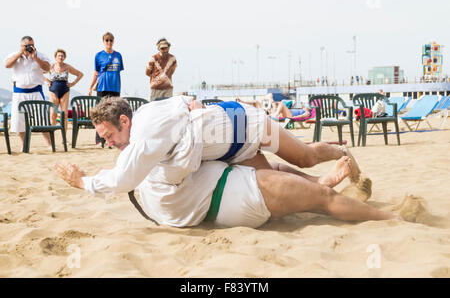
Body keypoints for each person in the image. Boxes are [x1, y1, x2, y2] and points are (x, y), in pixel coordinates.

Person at [55, 96, 400, 228]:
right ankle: (326, 182)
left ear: (125, 122)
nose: (107, 142)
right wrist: (186, 102)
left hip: (245, 126)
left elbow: (124, 178)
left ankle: (341, 153)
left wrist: (83, 181)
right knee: (278, 182)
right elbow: (177, 101)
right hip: (225, 150)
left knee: (305, 156)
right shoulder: (147, 116)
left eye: (107, 135)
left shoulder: (144, 134)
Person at [4, 36, 52, 146]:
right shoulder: (15, 55)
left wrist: (35, 58)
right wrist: (19, 54)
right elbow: (7, 65)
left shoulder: (40, 55)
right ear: (21, 46)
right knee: (19, 121)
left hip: (36, 91)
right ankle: (24, 145)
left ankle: (49, 144)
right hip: (19, 92)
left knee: (42, 119)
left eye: (32, 45)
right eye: (27, 45)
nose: (30, 47)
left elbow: (47, 68)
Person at [88, 32, 124, 147]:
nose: (109, 42)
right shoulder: (99, 55)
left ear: (113, 41)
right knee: (100, 114)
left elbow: (119, 71)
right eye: (107, 40)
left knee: (114, 114)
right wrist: (90, 87)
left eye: (111, 40)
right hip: (102, 87)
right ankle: (99, 140)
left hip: (115, 87)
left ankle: (112, 140)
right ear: (103, 42)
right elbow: (96, 73)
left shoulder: (118, 55)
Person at [44, 49, 84, 130]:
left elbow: (80, 74)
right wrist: (47, 81)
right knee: (53, 114)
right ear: (55, 57)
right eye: (59, 55)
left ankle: (64, 139)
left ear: (64, 57)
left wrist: (73, 83)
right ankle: (52, 136)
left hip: (65, 91)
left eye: (62, 56)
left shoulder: (67, 67)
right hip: (53, 91)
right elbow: (39, 73)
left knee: (64, 114)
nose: (60, 57)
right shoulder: (51, 66)